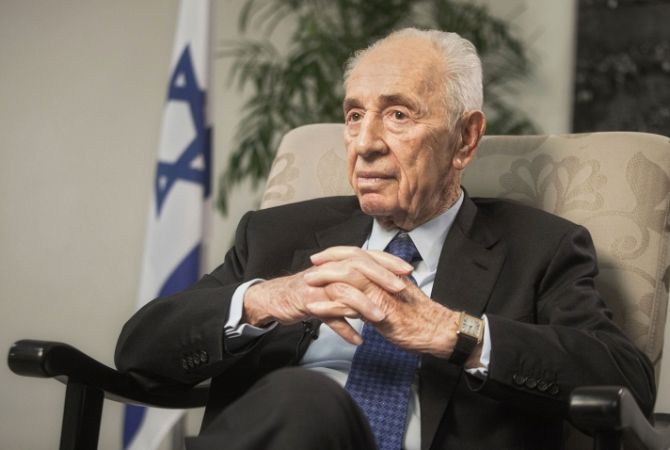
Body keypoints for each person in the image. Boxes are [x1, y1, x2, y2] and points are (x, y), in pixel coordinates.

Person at [115, 28, 656, 450]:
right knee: (301, 399)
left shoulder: (540, 247)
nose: (365, 143)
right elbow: (139, 351)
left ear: (465, 139)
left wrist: (452, 332)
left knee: (303, 396)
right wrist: (269, 298)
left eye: (397, 114)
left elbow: (625, 381)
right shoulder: (276, 235)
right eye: (354, 116)